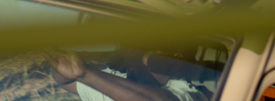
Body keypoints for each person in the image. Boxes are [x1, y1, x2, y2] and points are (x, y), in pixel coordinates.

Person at [46, 50, 210, 101]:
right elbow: (66, 82)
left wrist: (88, 75)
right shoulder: (115, 80)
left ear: (176, 63)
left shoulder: (192, 92)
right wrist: (62, 71)